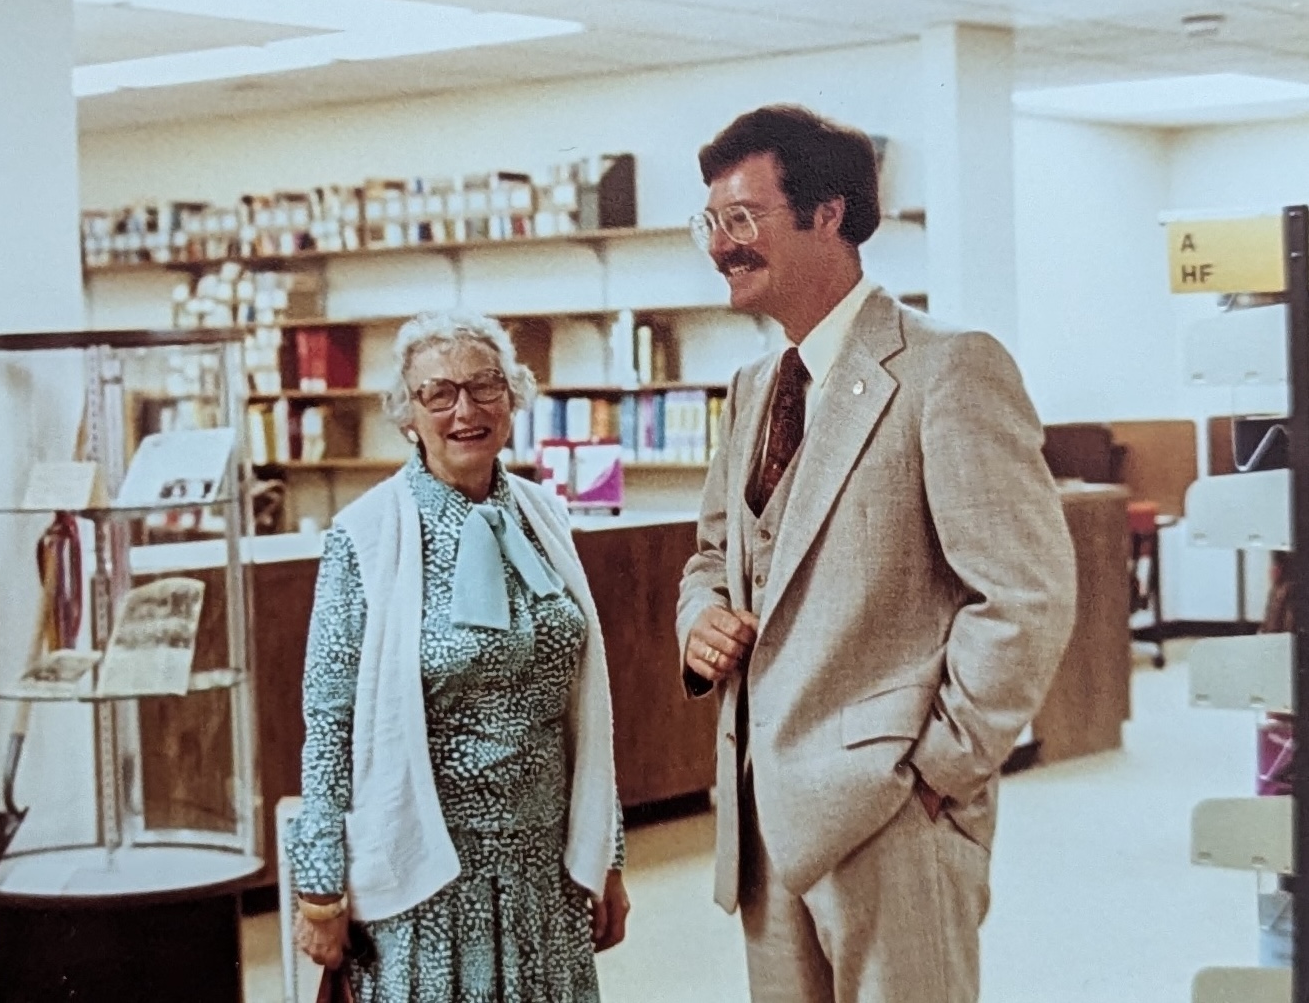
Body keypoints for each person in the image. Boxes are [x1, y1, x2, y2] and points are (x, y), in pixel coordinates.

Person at [675, 104, 1076, 1002]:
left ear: (829, 213)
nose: (721, 245)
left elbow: (1024, 596)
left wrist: (940, 772)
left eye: (743, 218)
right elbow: (711, 555)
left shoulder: (950, 367)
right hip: (762, 819)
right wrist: (699, 617)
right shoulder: (753, 388)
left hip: (895, 810)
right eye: (711, 222)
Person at [287, 310, 630, 1003]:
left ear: (513, 396)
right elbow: (329, 722)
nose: (465, 411)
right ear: (408, 415)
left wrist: (607, 854)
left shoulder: (545, 516)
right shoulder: (363, 537)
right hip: (424, 877)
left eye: (484, 386)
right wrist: (319, 890)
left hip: (543, 871)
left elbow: (585, 713)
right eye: (439, 393)